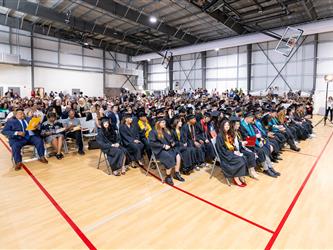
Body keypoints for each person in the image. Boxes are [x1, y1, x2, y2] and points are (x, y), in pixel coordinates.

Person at [149, 117, 185, 185]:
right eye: (162, 122)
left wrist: (172, 142)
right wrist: (163, 146)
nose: (164, 123)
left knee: (178, 154)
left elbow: (170, 138)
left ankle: (176, 173)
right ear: (158, 123)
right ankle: (168, 177)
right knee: (169, 157)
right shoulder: (153, 132)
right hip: (159, 150)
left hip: (168, 148)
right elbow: (152, 143)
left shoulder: (165, 130)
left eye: (164, 122)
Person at [215, 120, 248, 187]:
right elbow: (221, 149)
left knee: (243, 158)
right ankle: (235, 177)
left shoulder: (228, 134)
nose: (227, 126)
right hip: (225, 155)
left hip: (230, 152)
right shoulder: (220, 136)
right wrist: (232, 153)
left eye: (228, 125)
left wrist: (236, 151)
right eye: (225, 125)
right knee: (240, 160)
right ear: (222, 126)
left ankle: (240, 175)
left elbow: (232, 145)